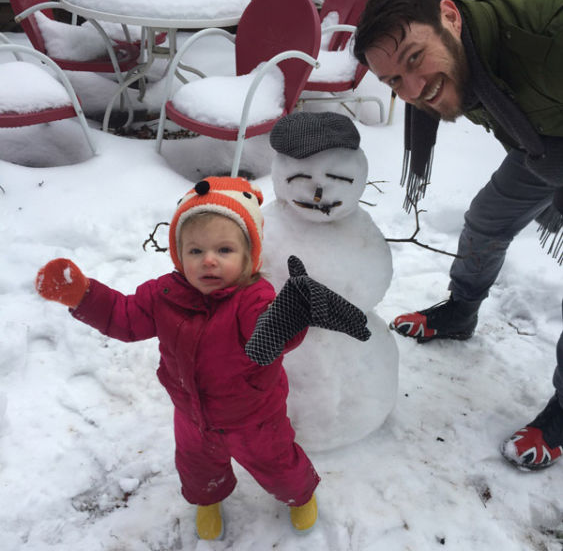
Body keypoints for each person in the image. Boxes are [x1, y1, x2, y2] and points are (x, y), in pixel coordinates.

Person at [35, 176, 370, 540]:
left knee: (277, 464)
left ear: (248, 256)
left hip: (254, 418)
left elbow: (270, 333)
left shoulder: (253, 299)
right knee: (197, 467)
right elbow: (124, 317)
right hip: (192, 415)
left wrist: (288, 316)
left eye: (224, 250)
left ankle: (299, 495)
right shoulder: (163, 295)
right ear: (180, 255)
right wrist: (84, 296)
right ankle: (208, 497)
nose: (209, 260)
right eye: (195, 251)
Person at [353, 0, 563, 470]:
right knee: (487, 220)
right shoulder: (468, 52)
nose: (414, 90)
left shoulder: (548, 39)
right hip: (543, 143)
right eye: (394, 82)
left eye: (413, 59)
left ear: (450, 16)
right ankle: (461, 311)